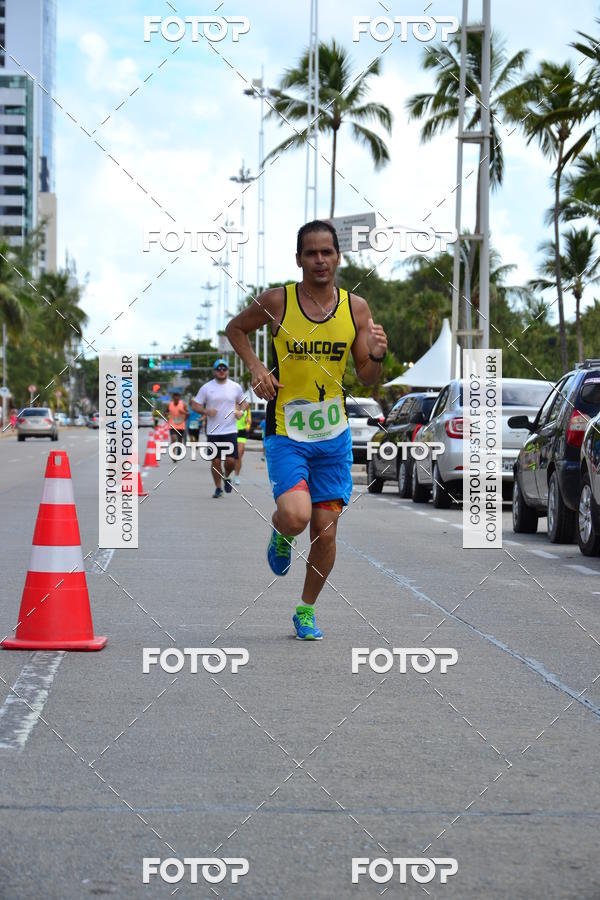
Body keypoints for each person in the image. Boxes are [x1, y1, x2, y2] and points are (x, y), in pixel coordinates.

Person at [226, 220, 388, 640]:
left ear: (338, 257)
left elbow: (367, 376)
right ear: (298, 259)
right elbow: (235, 328)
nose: (320, 260)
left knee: (326, 531)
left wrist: (376, 355)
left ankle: (306, 610)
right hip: (287, 431)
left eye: (326, 252)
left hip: (333, 437)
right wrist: (256, 367)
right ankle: (282, 532)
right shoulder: (278, 301)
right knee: (296, 517)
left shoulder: (356, 309)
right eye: (311, 253)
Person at [190, 359, 247, 498]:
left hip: (230, 430)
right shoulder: (206, 388)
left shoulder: (235, 387)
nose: (221, 371)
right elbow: (194, 405)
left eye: (224, 368)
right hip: (213, 431)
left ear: (228, 371)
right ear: (214, 372)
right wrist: (206, 411)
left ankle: (226, 476)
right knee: (215, 461)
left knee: (231, 461)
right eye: (218, 369)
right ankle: (218, 488)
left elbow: (244, 402)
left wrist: (240, 411)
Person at [233, 406, 252, 485]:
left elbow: (249, 420)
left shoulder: (246, 407)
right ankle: (227, 471)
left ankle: (236, 476)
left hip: (242, 433)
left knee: (239, 454)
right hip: (231, 432)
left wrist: (248, 424)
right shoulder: (230, 405)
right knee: (230, 457)